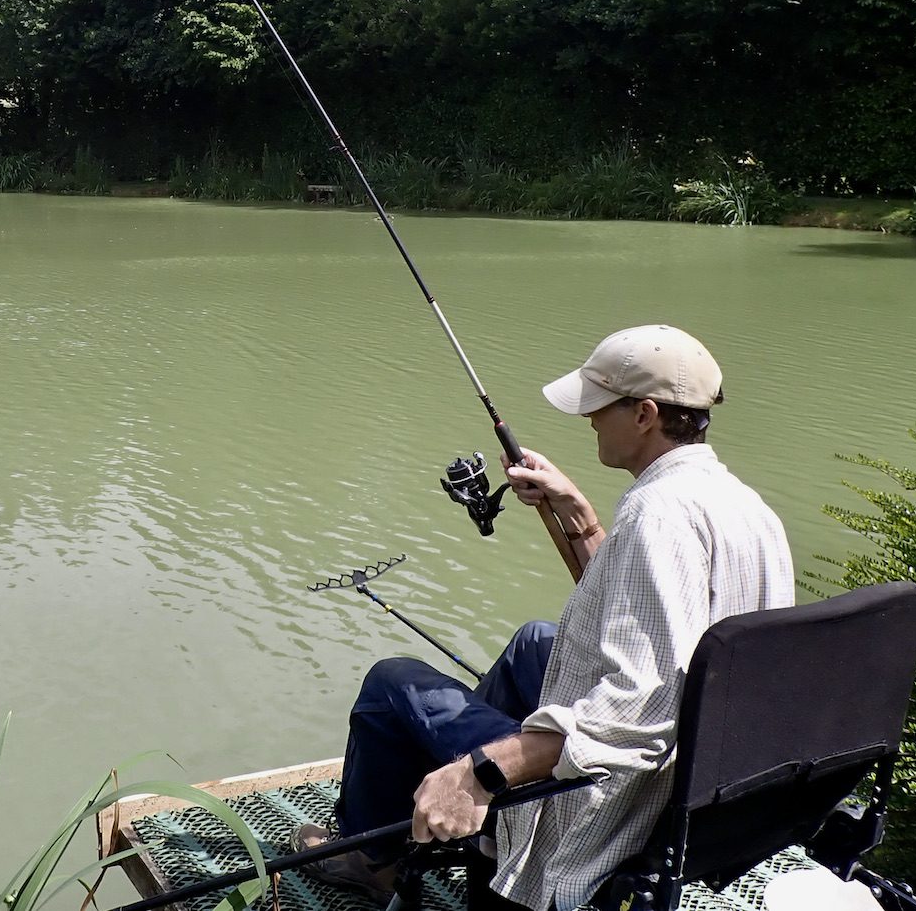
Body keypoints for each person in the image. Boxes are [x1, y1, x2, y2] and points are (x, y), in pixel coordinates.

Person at [292, 324, 795, 911]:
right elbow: (650, 612)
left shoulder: (655, 515)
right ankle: (453, 813)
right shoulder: (743, 505)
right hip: (707, 772)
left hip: (620, 795)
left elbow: (639, 718)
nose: (588, 420)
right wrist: (576, 513)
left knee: (393, 681)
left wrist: (482, 772)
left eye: (600, 407)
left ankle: (379, 856)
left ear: (645, 415)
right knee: (537, 641)